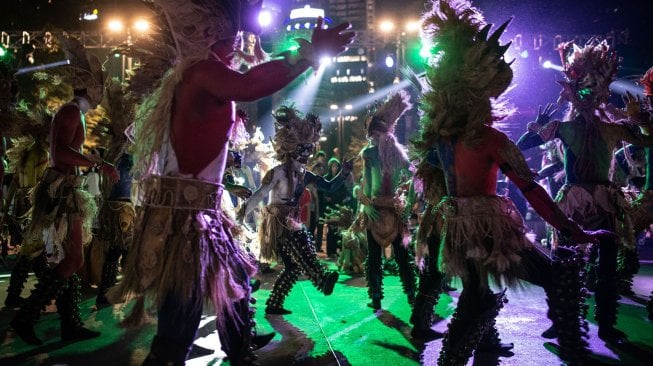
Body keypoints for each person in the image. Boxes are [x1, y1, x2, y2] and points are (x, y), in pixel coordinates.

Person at [108, 1, 354, 364]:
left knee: (236, 285)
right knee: (178, 329)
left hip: (200, 214)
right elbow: (251, 84)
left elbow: (252, 76)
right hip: (187, 222)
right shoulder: (201, 73)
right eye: (230, 35)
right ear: (207, 36)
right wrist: (310, 53)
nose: (238, 41)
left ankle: (240, 350)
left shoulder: (197, 73)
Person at [415, 1, 612, 364]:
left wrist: (438, 219)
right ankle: (573, 352)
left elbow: (429, 183)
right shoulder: (489, 139)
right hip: (488, 231)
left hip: (456, 230)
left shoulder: (442, 142)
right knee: (555, 276)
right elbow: (532, 190)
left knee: (478, 295)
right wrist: (572, 228)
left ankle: (472, 350)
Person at [516, 41, 653, 344]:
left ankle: (603, 325)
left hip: (603, 201)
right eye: (584, 90)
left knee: (603, 267)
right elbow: (519, 148)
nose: (589, 96)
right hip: (575, 203)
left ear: (603, 92)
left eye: (595, 90)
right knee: (565, 263)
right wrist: (535, 127)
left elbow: (648, 141)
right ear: (574, 93)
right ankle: (563, 320)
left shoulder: (609, 129)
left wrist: (641, 119)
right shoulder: (566, 128)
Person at [9, 36, 119, 345]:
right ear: (90, 88)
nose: (102, 93)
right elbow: (60, 154)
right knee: (72, 261)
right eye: (100, 87)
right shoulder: (71, 113)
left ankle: (69, 323)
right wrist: (98, 164)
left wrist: (92, 161)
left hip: (65, 189)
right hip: (62, 191)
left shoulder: (75, 113)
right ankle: (25, 316)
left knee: (70, 261)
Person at [239, 105, 352, 315]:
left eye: (310, 148)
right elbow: (261, 194)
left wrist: (344, 174)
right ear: (292, 148)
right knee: (303, 238)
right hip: (279, 222)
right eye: (304, 148)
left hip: (291, 219)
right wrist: (242, 212)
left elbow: (328, 185)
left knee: (292, 268)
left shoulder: (305, 174)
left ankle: (274, 303)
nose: (308, 153)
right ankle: (321, 278)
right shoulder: (278, 172)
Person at [358, 90, 416, 311]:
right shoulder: (381, 154)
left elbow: (413, 179)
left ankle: (400, 295)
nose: (373, 138)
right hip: (384, 209)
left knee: (388, 256)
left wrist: (407, 204)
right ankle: (391, 295)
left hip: (384, 208)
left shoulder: (380, 154)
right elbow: (413, 179)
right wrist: (407, 204)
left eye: (373, 134)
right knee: (389, 257)